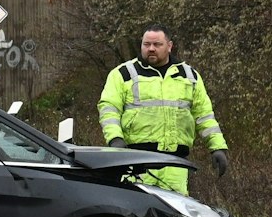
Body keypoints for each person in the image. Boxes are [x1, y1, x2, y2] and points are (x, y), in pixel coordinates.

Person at [96, 23, 229, 195]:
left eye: (157, 44)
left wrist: (217, 147)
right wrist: (115, 139)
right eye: (146, 44)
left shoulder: (189, 76)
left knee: (173, 211)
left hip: (175, 165)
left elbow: (204, 116)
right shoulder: (123, 74)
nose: (151, 49)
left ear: (169, 46)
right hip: (136, 163)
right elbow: (109, 109)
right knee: (136, 209)